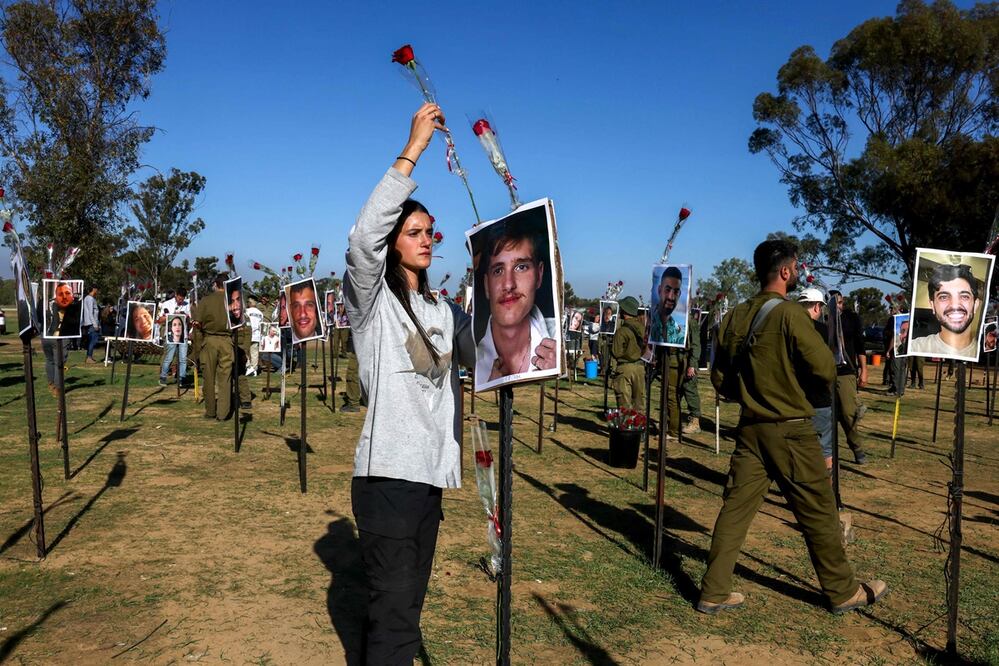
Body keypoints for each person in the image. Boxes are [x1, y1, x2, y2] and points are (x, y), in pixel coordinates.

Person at [344, 102, 475, 664]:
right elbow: (360, 240)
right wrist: (413, 150)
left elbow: (493, 353)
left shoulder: (442, 310)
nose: (426, 239)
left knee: (407, 610)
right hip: (387, 480)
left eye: (430, 231)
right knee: (395, 624)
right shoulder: (372, 304)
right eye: (414, 231)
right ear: (394, 242)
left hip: (428, 479)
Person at [701, 238, 886, 615]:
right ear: (786, 271)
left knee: (734, 511)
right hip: (791, 430)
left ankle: (714, 590)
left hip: (751, 428)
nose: (797, 271)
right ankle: (842, 591)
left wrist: (754, 392)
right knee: (818, 510)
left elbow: (719, 377)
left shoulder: (735, 314)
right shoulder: (790, 315)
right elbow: (824, 367)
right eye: (796, 266)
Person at [473, 212, 558, 384]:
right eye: (498, 270)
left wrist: (557, 372)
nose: (508, 284)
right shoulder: (471, 354)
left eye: (521, 267)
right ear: (487, 285)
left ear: (539, 275)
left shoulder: (557, 343)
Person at [827, 290, 868, 464]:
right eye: (835, 303)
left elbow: (860, 345)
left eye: (841, 302)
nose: (839, 306)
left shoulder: (851, 319)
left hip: (845, 372)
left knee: (847, 412)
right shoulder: (822, 320)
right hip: (824, 372)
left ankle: (857, 448)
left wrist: (864, 370)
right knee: (825, 415)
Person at [909, 264, 984, 359]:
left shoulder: (982, 352)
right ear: (932, 305)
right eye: (944, 297)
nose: (954, 305)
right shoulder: (916, 347)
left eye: (964, 296)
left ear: (975, 305)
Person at [797, 288, 834, 475]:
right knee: (825, 448)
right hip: (819, 398)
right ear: (817, 307)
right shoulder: (825, 331)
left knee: (798, 447)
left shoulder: (788, 329)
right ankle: (826, 491)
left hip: (794, 399)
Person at [192, 275, 234, 419]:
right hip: (227, 342)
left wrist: (196, 351)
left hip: (209, 341)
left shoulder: (206, 300)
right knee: (225, 379)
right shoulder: (234, 301)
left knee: (208, 378)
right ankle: (223, 413)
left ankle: (210, 411)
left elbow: (197, 326)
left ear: (216, 284)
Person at [611, 296, 645, 410]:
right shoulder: (643, 328)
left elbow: (616, 352)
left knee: (624, 402)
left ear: (624, 311)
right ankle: (639, 425)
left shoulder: (622, 331)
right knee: (639, 403)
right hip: (640, 368)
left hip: (625, 368)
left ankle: (626, 425)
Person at [158, 287, 190, 387]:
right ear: (175, 295)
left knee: (183, 358)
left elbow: (189, 319)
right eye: (179, 299)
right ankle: (163, 377)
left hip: (183, 335)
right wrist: (170, 315)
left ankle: (181, 378)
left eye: (182, 299)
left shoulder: (187, 305)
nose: (180, 301)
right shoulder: (167, 304)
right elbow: (160, 319)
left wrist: (185, 316)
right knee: (169, 357)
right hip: (170, 335)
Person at [679, 311, 703, 434]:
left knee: (690, 390)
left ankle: (695, 421)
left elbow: (696, 345)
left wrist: (692, 365)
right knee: (676, 391)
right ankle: (672, 420)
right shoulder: (677, 319)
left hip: (688, 361)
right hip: (678, 361)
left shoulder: (691, 323)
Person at [650, 266, 685, 344]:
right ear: (659, 290)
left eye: (676, 292)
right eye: (667, 290)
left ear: (679, 295)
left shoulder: (677, 330)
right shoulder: (649, 322)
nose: (671, 297)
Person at [245, 296, 264, 376]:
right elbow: (261, 325)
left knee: (246, 352)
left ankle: (248, 368)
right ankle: (254, 369)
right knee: (254, 353)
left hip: (247, 334)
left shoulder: (246, 311)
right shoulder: (260, 313)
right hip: (256, 335)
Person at [81, 285, 100, 362]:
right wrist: (95, 324)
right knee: (93, 340)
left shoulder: (88, 298)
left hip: (90, 322)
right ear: (94, 289)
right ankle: (89, 357)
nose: (97, 291)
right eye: (96, 289)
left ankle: (89, 356)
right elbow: (90, 313)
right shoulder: (90, 299)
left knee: (92, 340)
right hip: (91, 323)